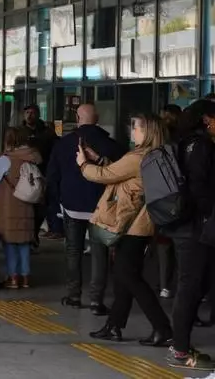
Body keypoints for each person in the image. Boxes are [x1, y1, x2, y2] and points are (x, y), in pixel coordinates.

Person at [84, 113, 173, 347]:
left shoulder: (138, 157)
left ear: (147, 131)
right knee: (124, 276)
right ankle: (114, 325)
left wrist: (83, 164)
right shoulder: (158, 154)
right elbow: (122, 175)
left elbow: (105, 176)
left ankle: (163, 328)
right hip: (144, 223)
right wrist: (99, 159)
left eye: (136, 128)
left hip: (133, 225)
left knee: (129, 276)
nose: (132, 132)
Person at [48, 102, 125, 314]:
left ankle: (74, 296)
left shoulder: (63, 144)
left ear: (77, 119)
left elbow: (52, 176)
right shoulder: (112, 145)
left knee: (73, 251)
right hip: (101, 207)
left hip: (71, 206)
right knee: (100, 253)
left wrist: (59, 201)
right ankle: (95, 301)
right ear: (97, 119)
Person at [161, 100, 215, 370]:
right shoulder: (201, 145)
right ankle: (180, 351)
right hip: (195, 226)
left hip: (185, 224)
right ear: (207, 119)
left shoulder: (182, 143)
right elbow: (200, 188)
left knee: (195, 284)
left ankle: (181, 346)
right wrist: (208, 212)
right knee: (189, 286)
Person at [0, 127, 41, 289]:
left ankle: (13, 277)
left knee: (10, 242)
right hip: (27, 204)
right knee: (24, 242)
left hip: (8, 206)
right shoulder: (33, 157)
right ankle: (25, 277)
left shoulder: (5, 160)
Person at [20, 104, 60, 242]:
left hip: (44, 172)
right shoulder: (20, 131)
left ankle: (37, 233)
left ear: (38, 114)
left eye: (32, 112)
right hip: (25, 173)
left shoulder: (46, 132)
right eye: (27, 112)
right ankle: (29, 235)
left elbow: (56, 148)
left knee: (42, 206)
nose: (29, 115)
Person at [158, 104, 184, 300]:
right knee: (182, 246)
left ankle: (165, 284)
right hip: (181, 197)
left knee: (164, 245)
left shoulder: (160, 144)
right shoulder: (187, 141)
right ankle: (181, 284)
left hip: (163, 198)